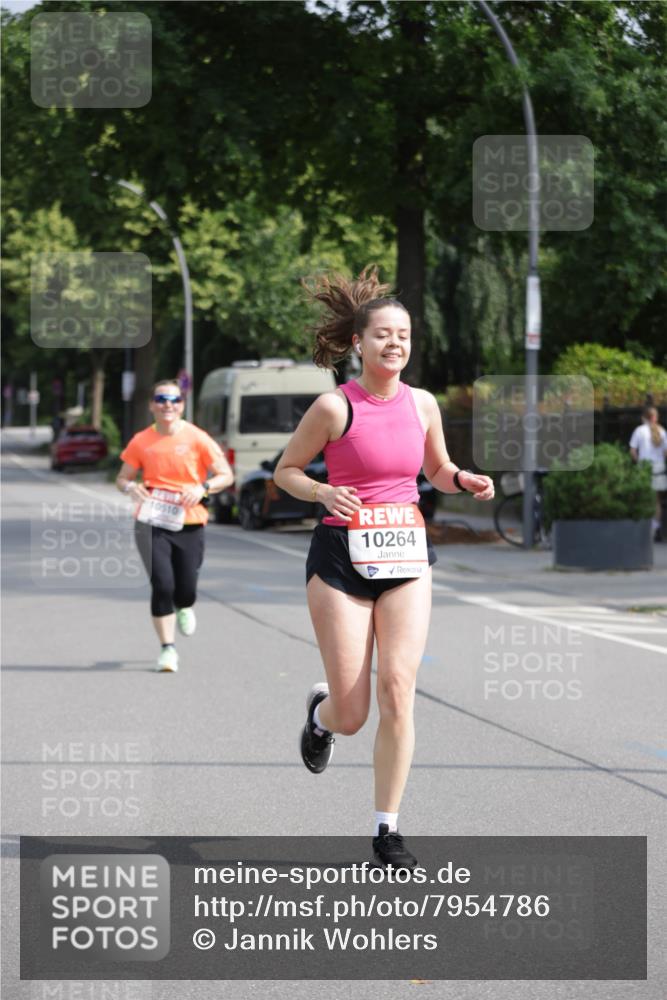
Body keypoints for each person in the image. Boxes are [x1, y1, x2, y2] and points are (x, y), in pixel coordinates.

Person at [274, 267, 495, 868]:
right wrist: (321, 494)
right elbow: (286, 471)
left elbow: (437, 469)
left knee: (399, 691)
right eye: (382, 335)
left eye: (404, 335)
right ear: (357, 344)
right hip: (342, 560)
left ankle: (387, 831)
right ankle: (320, 719)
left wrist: (463, 478)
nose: (394, 344)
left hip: (405, 556)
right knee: (353, 713)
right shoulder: (333, 406)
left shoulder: (423, 404)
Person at [116, 380, 234, 672]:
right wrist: (130, 487)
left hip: (190, 520)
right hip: (151, 521)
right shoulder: (141, 440)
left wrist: (203, 487)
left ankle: (185, 605)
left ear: (182, 404)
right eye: (161, 398)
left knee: (186, 587)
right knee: (162, 584)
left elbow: (226, 475)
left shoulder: (197, 437)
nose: (168, 404)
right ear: (152, 404)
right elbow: (122, 478)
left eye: (174, 399)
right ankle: (167, 649)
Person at [629, 405, 667, 542]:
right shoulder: (662, 432)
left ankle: (644, 529)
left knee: (643, 499)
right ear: (656, 418)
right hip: (659, 467)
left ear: (644, 417)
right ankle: (656, 528)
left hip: (644, 467)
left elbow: (633, 451)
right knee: (656, 500)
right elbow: (665, 453)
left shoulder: (639, 430)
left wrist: (638, 462)